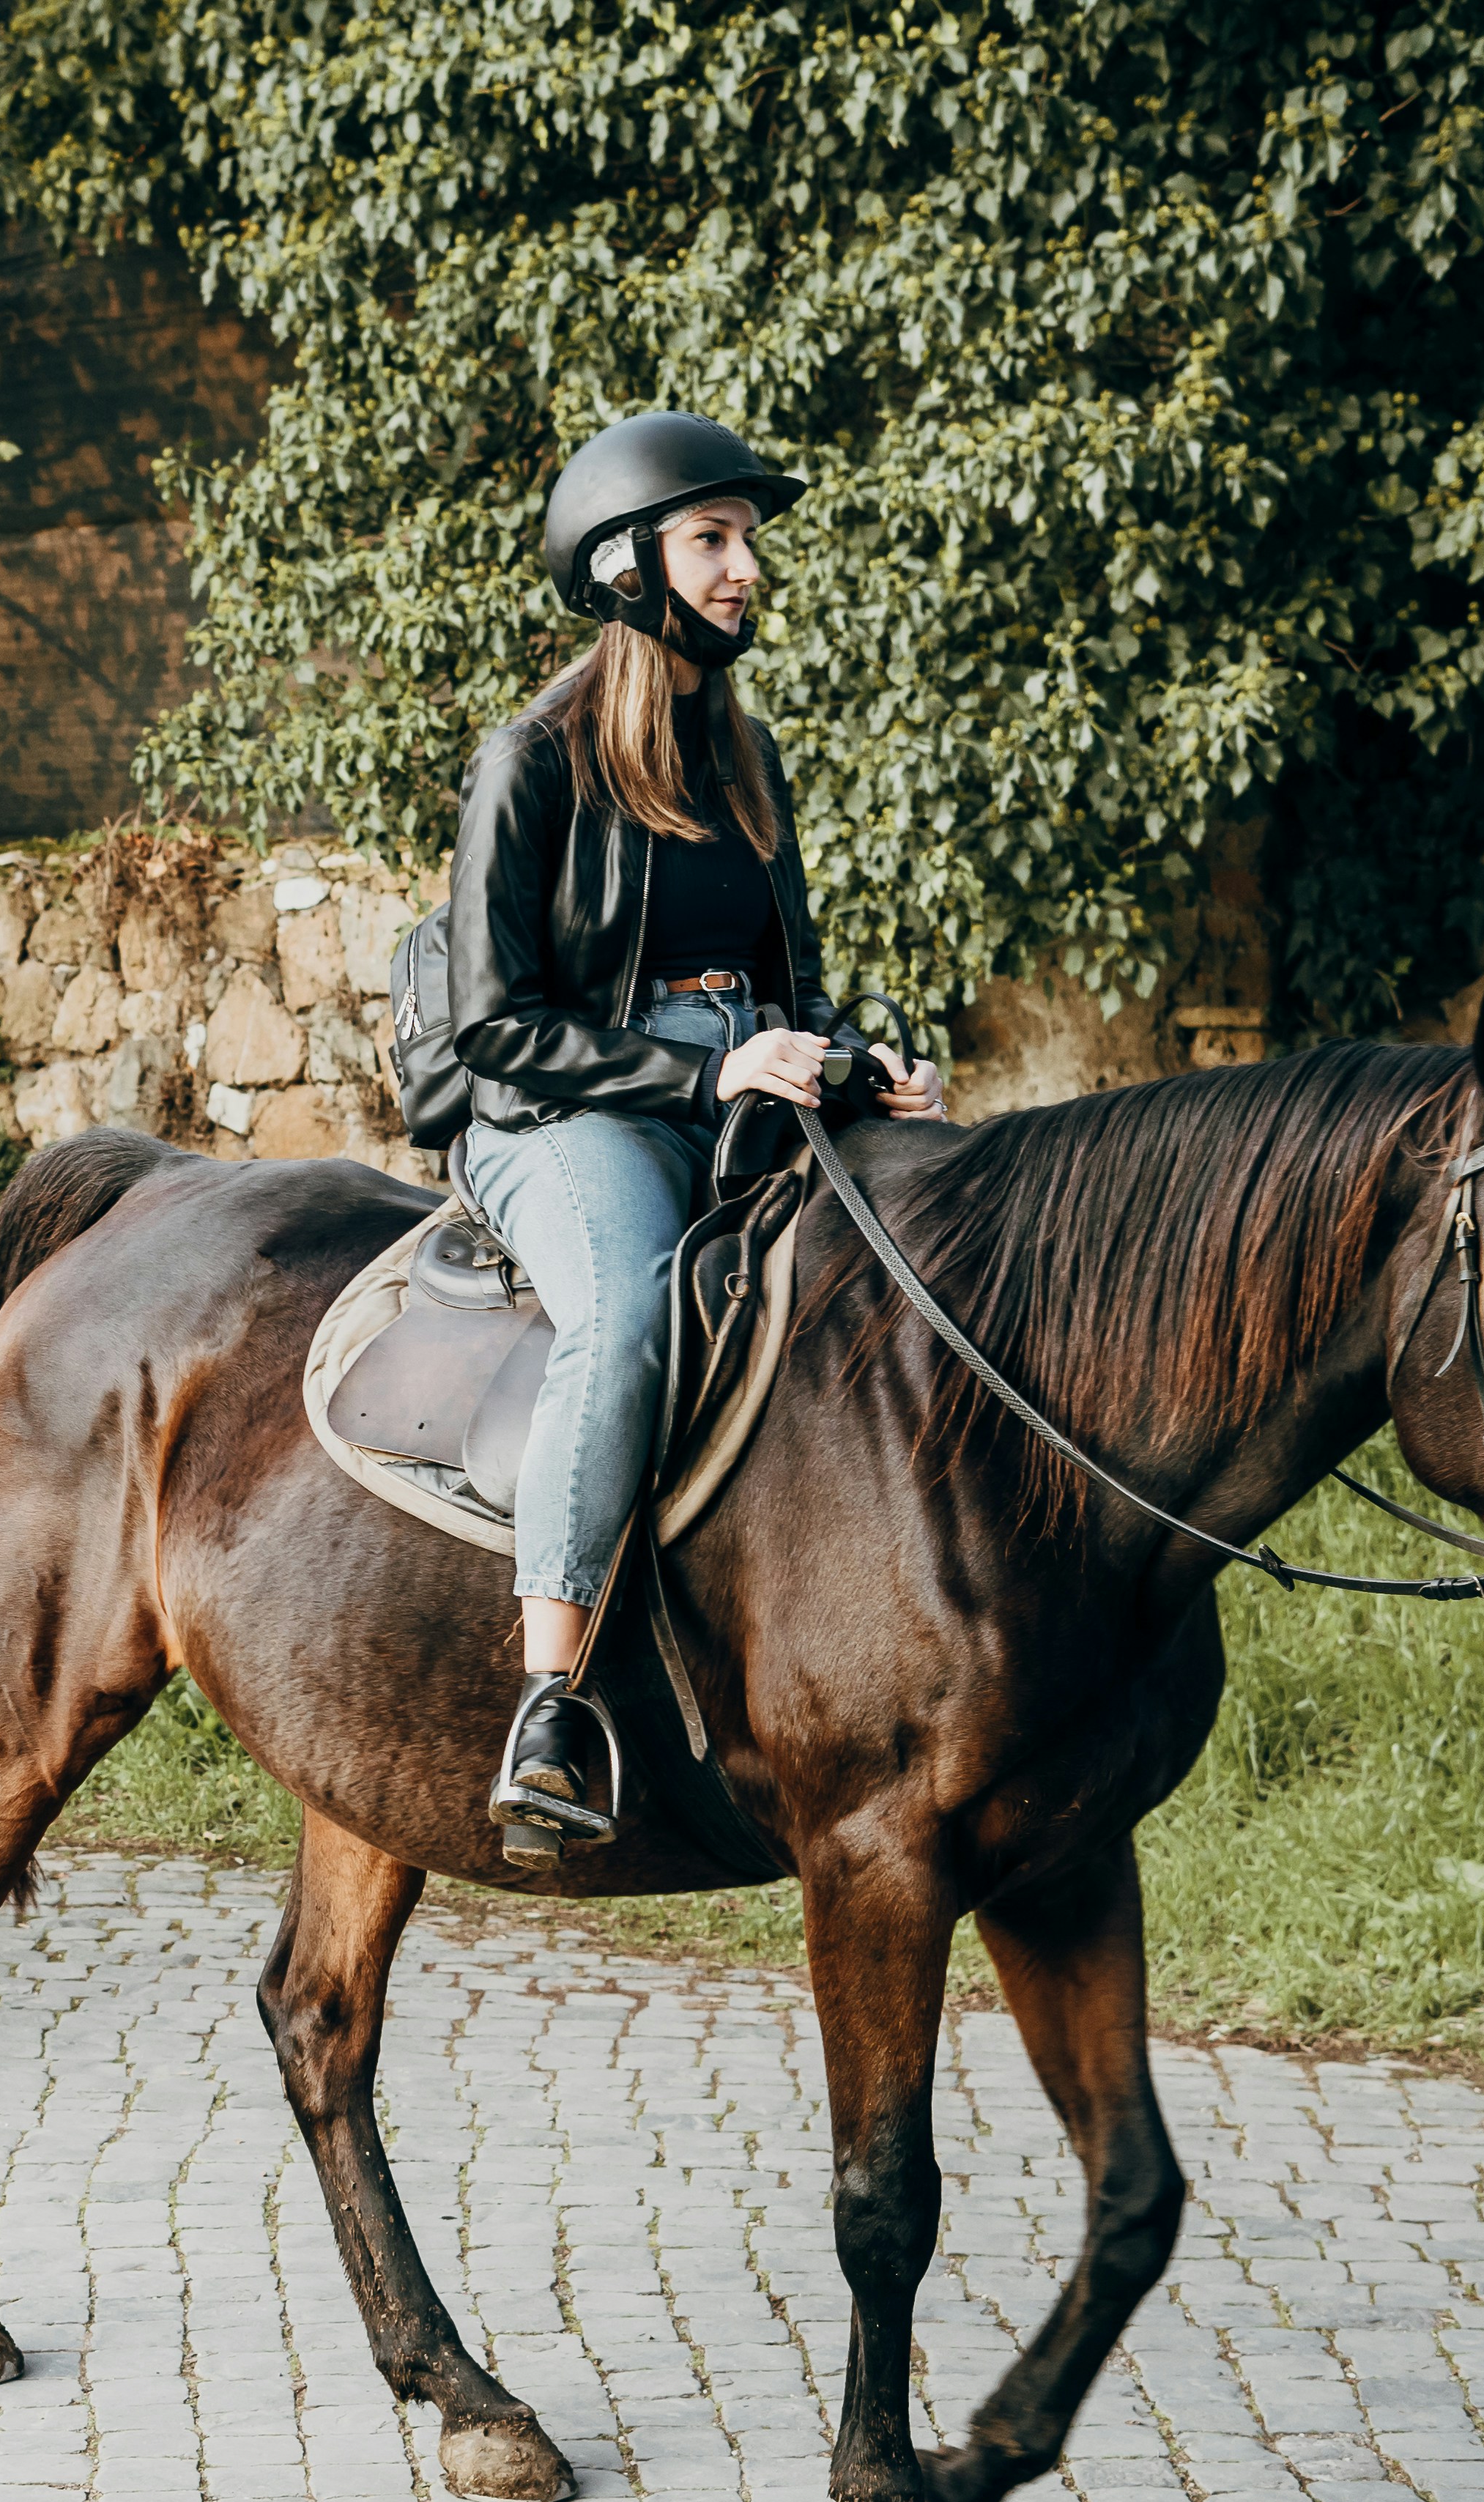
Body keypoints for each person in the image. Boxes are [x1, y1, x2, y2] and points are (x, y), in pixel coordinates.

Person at [437, 411, 947, 1854]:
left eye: (747, 540)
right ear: (626, 564)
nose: (746, 570)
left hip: (737, 1090)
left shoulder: (748, 757)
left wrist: (858, 1062)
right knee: (629, 1304)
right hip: (558, 1109)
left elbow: (795, 990)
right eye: (714, 539)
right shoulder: (529, 763)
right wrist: (708, 1068)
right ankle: (553, 1701)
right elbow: (493, 1025)